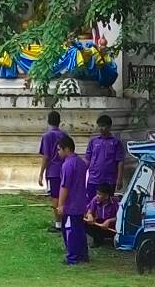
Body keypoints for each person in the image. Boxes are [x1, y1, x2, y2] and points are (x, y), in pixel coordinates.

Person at [56, 135, 91, 264]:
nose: (58, 152)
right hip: (81, 202)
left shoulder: (67, 165)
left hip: (71, 205)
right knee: (80, 231)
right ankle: (83, 255)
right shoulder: (81, 163)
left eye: (59, 149)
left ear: (66, 149)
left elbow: (65, 187)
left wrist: (60, 205)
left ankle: (72, 257)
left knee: (70, 231)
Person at [36, 110, 67, 229]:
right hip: (64, 169)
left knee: (55, 196)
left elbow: (46, 156)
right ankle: (64, 220)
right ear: (59, 122)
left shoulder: (47, 136)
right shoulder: (64, 135)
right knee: (64, 195)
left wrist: (41, 173)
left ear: (48, 121)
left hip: (53, 171)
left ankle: (58, 223)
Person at [86, 114, 126, 193]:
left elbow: (120, 162)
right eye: (99, 126)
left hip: (109, 181)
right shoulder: (93, 142)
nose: (101, 128)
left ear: (109, 126)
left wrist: (119, 179)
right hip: (93, 180)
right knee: (91, 203)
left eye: (103, 126)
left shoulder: (116, 142)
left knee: (107, 203)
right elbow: (87, 159)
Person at [86, 182, 120, 246]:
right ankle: (98, 240)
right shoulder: (95, 200)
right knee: (86, 223)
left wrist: (108, 221)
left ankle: (113, 238)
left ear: (106, 196)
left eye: (99, 194)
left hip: (112, 225)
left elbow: (119, 217)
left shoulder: (115, 202)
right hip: (100, 223)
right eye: (97, 193)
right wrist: (90, 215)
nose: (97, 196)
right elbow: (89, 211)